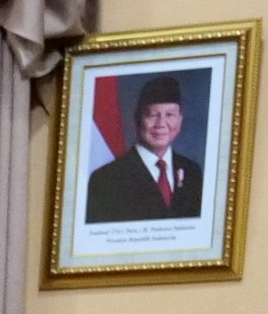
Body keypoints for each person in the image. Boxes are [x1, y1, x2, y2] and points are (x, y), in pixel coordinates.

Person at [82, 74, 203, 224]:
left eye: (170, 115)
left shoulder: (193, 173)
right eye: (152, 115)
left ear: (180, 120)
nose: (161, 124)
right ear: (137, 118)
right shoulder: (106, 179)